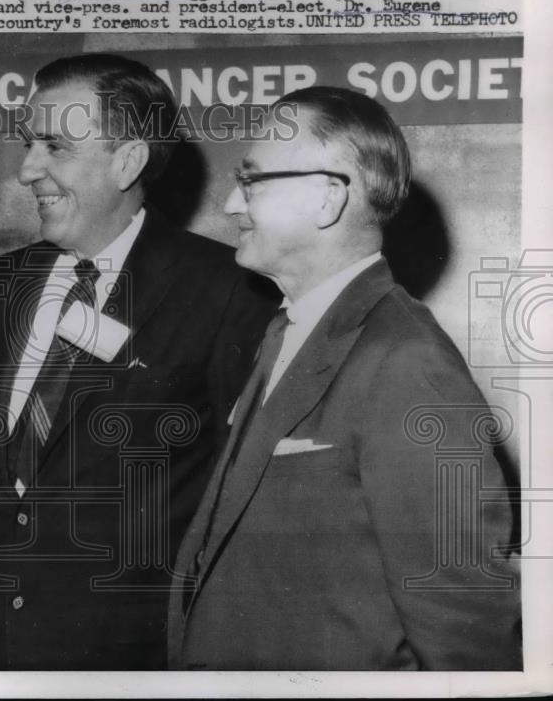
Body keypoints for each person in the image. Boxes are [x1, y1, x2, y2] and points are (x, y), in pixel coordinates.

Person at [0, 53, 276, 669]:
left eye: (54, 147)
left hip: (127, 662)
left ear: (128, 160)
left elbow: (244, 505)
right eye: (28, 144)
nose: (25, 170)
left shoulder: (226, 290)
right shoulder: (0, 284)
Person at [168, 86, 521, 670]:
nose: (232, 204)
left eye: (252, 181)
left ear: (327, 199)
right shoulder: (289, 330)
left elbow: (466, 633)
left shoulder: (405, 360)